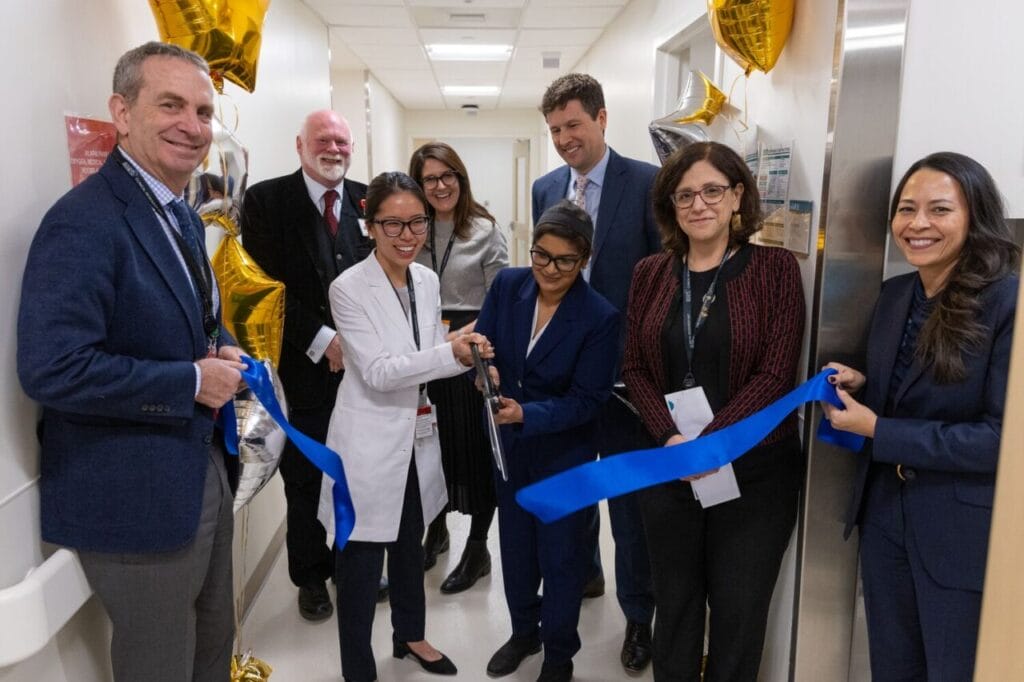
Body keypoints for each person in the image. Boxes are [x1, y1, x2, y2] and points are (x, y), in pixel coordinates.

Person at [17, 42, 245, 681]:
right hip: (134, 497)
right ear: (121, 112)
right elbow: (52, 367)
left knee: (212, 646)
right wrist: (192, 380)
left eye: (203, 111)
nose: (192, 126)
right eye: (170, 105)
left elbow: (185, 311)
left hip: (199, 469)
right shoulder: (85, 221)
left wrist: (220, 341)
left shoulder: (178, 212)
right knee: (160, 665)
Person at [823, 152, 1019, 681]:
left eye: (940, 209)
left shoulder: (1008, 302)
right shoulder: (896, 295)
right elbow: (912, 391)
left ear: (975, 216)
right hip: (885, 515)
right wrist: (864, 384)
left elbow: (1002, 440)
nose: (918, 223)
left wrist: (878, 430)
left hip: (960, 531)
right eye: (907, 209)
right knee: (892, 666)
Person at [622, 141, 805, 681]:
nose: (698, 204)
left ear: (737, 196)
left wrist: (711, 444)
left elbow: (775, 374)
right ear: (670, 205)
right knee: (675, 608)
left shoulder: (775, 269)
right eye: (685, 195)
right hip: (670, 468)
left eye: (712, 191)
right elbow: (635, 368)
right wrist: (671, 439)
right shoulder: (649, 273)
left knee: (739, 614)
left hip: (754, 475)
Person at [325, 171, 494, 682]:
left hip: (417, 433)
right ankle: (358, 667)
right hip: (368, 441)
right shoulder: (348, 288)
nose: (407, 235)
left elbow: (422, 352)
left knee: (408, 545)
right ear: (370, 226)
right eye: (392, 224)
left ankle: (411, 636)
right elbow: (379, 372)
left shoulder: (425, 279)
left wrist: (462, 349)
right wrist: (451, 354)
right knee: (359, 563)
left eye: (417, 222)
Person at [531, 72, 660, 672]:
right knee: (574, 492)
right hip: (563, 378)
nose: (564, 139)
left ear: (602, 118)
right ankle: (585, 575)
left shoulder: (649, 184)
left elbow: (661, 283)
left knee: (629, 510)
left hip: (628, 380)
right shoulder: (546, 188)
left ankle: (638, 617)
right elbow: (546, 273)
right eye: (555, 129)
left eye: (573, 125)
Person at [241, 109, 382, 621]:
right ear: (300, 145)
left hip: (364, 373)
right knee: (305, 480)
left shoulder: (371, 200)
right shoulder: (265, 201)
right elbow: (267, 288)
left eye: (342, 142)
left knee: (358, 474)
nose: (334, 149)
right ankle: (311, 577)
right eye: (323, 140)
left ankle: (352, 566)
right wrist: (323, 340)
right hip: (302, 372)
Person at [476, 200, 620, 682]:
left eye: (565, 261)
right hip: (510, 451)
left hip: (565, 458)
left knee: (561, 560)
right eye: (542, 255)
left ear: (585, 259)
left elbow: (589, 399)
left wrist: (526, 413)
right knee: (516, 550)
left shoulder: (599, 316)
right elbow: (485, 346)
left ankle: (559, 655)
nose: (550, 269)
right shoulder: (508, 285)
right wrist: (483, 372)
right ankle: (523, 632)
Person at [408, 141, 509, 591]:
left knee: (475, 454)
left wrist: (466, 339)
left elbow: (500, 300)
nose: (440, 186)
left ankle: (478, 547)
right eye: (429, 178)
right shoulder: (413, 228)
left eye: (447, 175)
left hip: (471, 350)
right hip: (425, 353)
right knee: (432, 449)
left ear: (461, 179)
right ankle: (436, 530)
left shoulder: (484, 230)